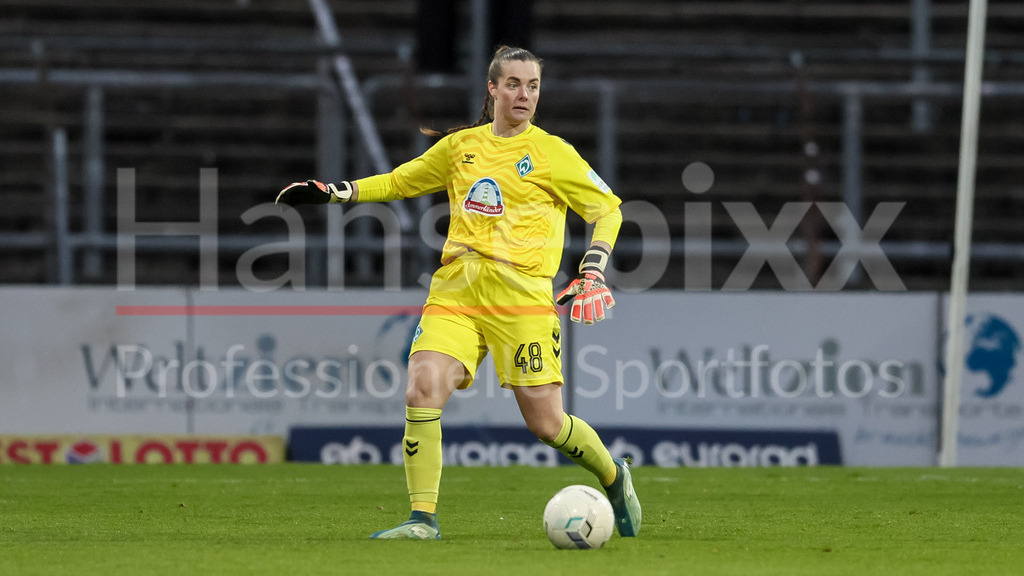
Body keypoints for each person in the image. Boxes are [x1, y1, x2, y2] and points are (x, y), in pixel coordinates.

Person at [276, 45, 640, 541]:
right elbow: (400, 181)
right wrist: (340, 192)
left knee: (547, 424)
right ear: (492, 89)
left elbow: (608, 210)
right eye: (513, 84)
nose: (525, 95)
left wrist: (593, 268)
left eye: (533, 86)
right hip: (457, 290)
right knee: (422, 388)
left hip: (522, 296)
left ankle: (614, 477)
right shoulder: (460, 147)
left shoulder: (553, 152)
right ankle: (422, 519)